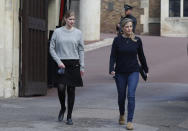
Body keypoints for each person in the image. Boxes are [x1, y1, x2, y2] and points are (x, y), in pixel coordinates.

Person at [110, 18, 148, 130]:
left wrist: (146, 69)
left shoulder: (137, 40)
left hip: (133, 71)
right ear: (122, 28)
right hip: (120, 72)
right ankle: (122, 113)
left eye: (131, 26)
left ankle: (130, 121)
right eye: (127, 27)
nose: (129, 29)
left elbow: (141, 56)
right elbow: (113, 56)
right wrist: (111, 68)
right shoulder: (117, 41)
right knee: (121, 97)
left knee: (131, 95)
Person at [50, 10, 84, 125]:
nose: (72, 21)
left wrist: (82, 66)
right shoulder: (57, 32)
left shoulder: (78, 33)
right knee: (60, 87)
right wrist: (58, 61)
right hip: (61, 64)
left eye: (74, 19)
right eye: (70, 19)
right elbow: (51, 48)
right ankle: (63, 107)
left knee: (71, 90)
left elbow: (81, 50)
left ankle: (69, 116)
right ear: (65, 19)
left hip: (74, 63)